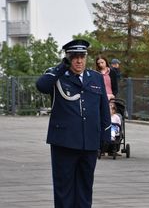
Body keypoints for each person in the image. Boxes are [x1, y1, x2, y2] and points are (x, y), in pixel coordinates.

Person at [36, 39, 111, 207]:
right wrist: (62, 66)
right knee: (64, 188)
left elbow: (103, 108)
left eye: (82, 56)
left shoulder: (96, 78)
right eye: (74, 57)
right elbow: (41, 86)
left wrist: (106, 134)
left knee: (85, 187)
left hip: (89, 142)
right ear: (68, 58)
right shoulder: (58, 76)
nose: (79, 60)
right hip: (65, 141)